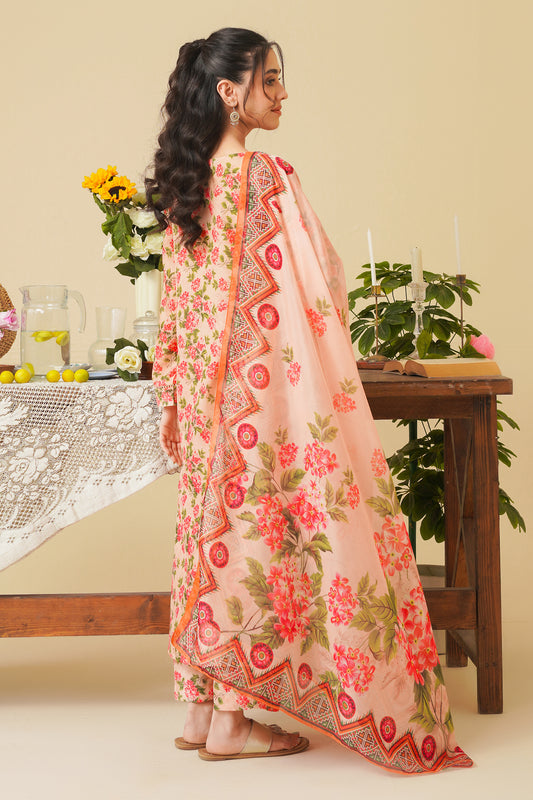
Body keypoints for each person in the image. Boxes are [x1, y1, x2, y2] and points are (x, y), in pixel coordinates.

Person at [147, 27, 472, 773]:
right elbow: (320, 277)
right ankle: (232, 723)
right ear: (229, 92)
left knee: (208, 535)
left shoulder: (186, 190)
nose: (282, 93)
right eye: (268, 80)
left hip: (202, 399)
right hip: (259, 397)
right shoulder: (264, 176)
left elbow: (175, 313)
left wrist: (177, 398)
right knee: (254, 535)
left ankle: (201, 710)